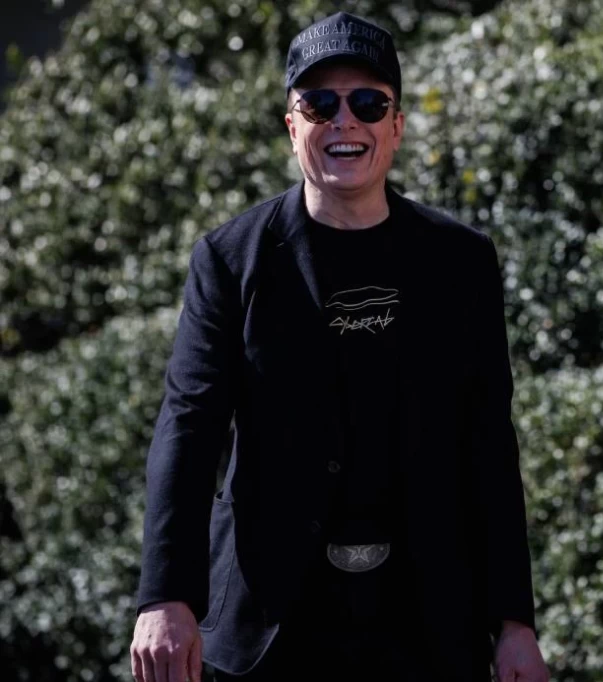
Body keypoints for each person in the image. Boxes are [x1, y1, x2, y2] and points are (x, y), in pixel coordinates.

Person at [128, 12, 549, 682]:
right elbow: (188, 425)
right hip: (269, 625)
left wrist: (514, 622)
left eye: (368, 104)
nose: (344, 121)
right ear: (292, 125)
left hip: (427, 626)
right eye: (320, 104)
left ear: (397, 125)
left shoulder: (460, 262)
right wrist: (166, 595)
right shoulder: (231, 260)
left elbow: (488, 445)